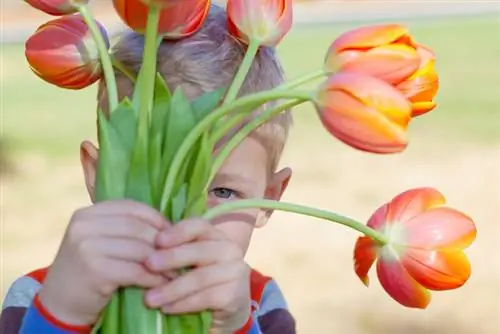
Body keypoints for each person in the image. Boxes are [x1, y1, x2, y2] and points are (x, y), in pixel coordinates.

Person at [0, 4, 295, 334]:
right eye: (146, 178)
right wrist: (60, 317)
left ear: (269, 198)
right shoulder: (40, 297)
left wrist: (236, 327)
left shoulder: (258, 308)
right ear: (99, 175)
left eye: (222, 192)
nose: (182, 218)